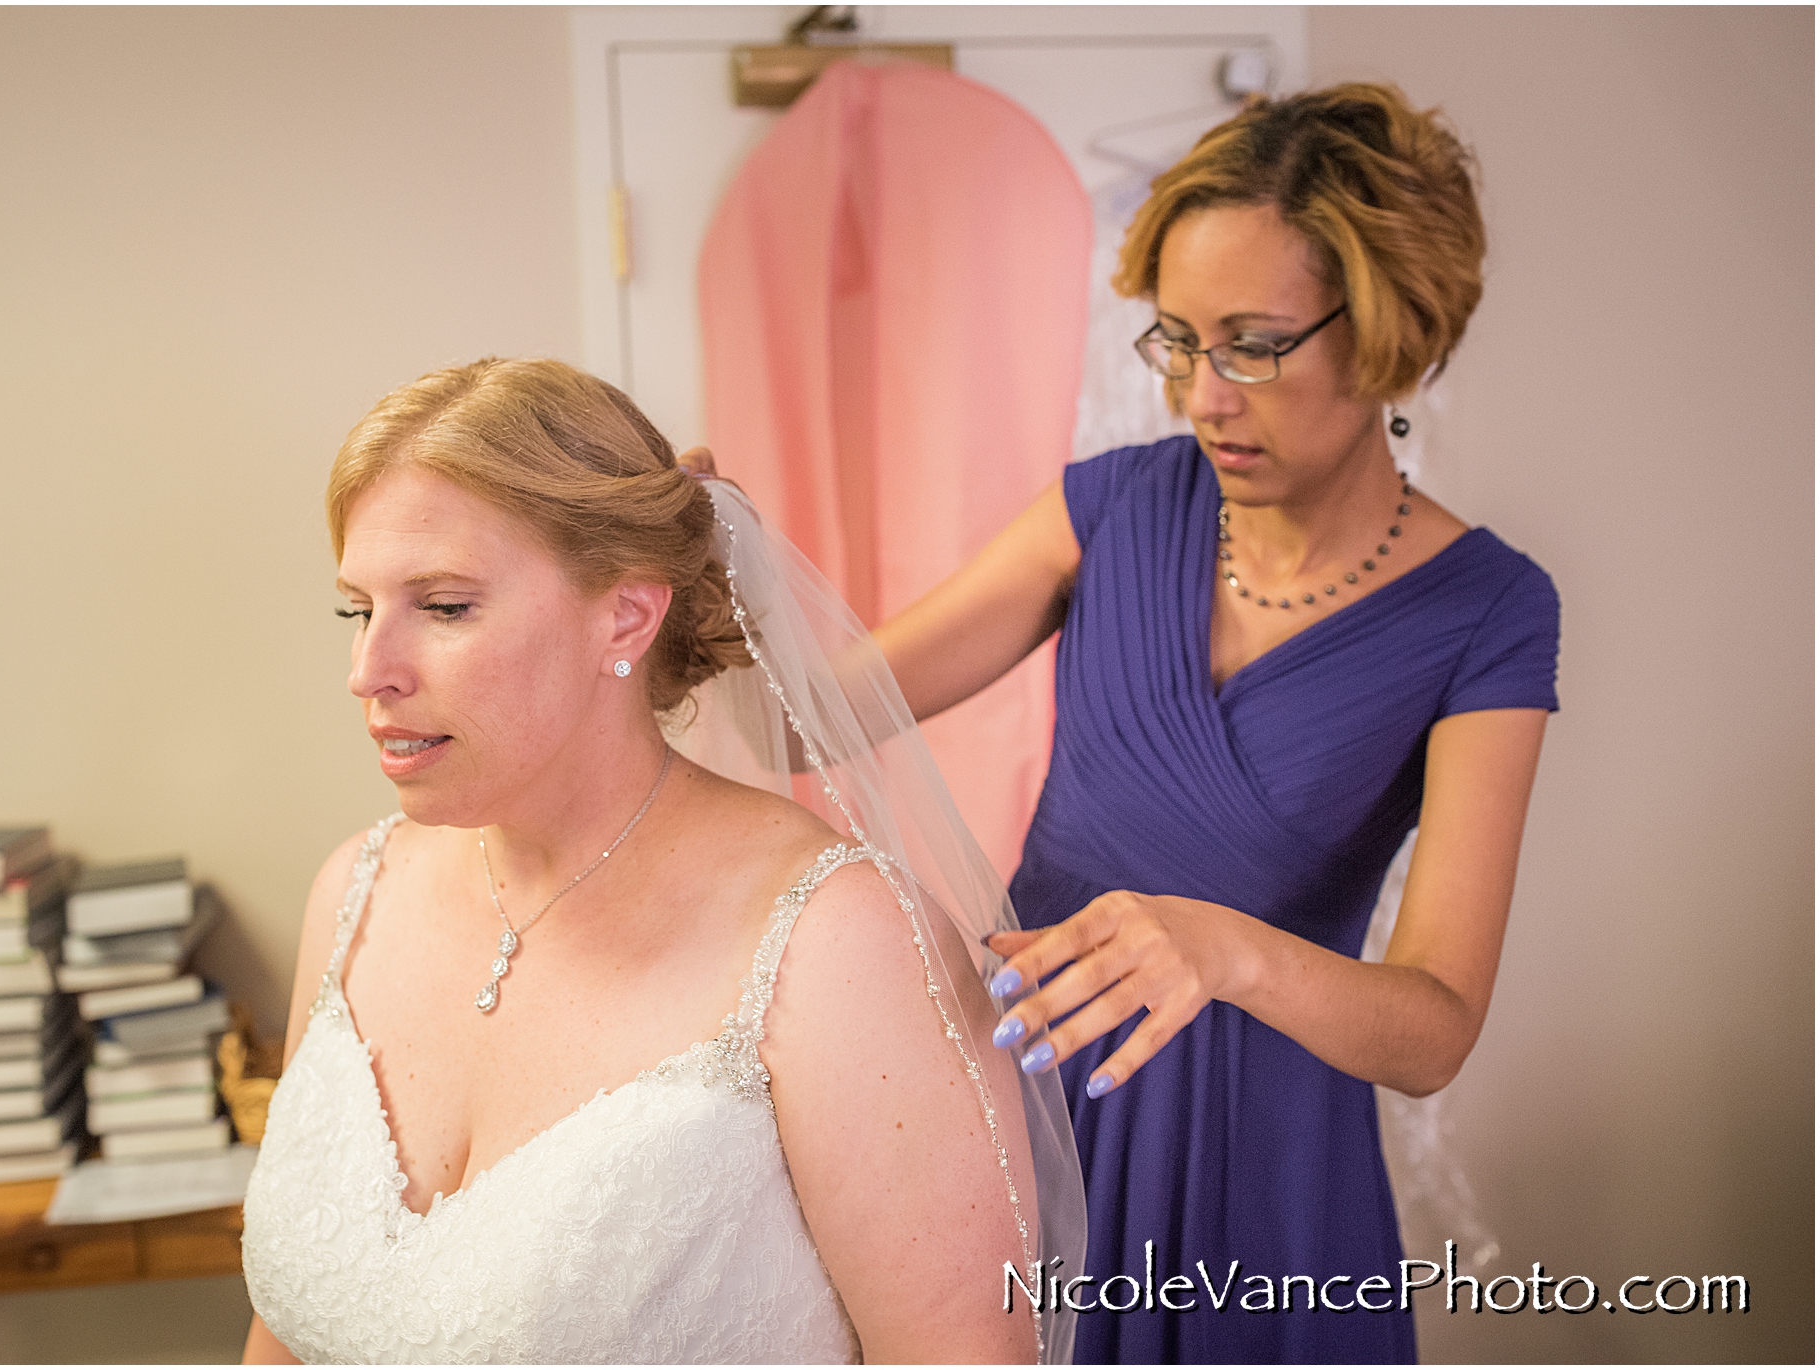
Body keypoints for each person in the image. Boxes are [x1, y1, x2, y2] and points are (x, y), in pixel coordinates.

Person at [852, 84, 1557, 1362]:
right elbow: (825, 710)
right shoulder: (1108, 509)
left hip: (1263, 1179)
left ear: (1390, 331)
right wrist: (688, 572)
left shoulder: (1488, 610)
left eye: (1253, 342)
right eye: (1175, 339)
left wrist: (1225, 950)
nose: (1202, 395)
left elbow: (1434, 1025)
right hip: (1027, 1124)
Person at [238, 357, 1083, 1364]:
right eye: (357, 608)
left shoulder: (838, 943)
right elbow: (282, 1336)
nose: (367, 669)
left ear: (626, 616)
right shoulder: (354, 893)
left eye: (445, 605)